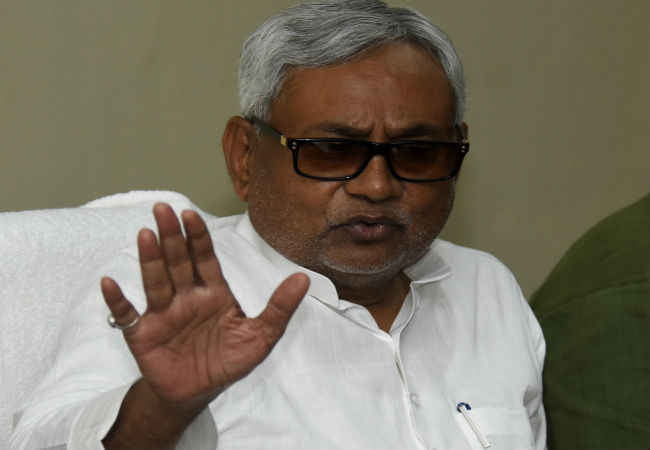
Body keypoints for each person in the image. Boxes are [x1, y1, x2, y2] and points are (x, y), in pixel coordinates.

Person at [11, 1, 546, 449]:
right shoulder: (168, 293)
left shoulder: (486, 289)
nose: (377, 186)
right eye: (332, 150)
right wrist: (162, 409)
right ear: (244, 155)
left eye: (418, 152)